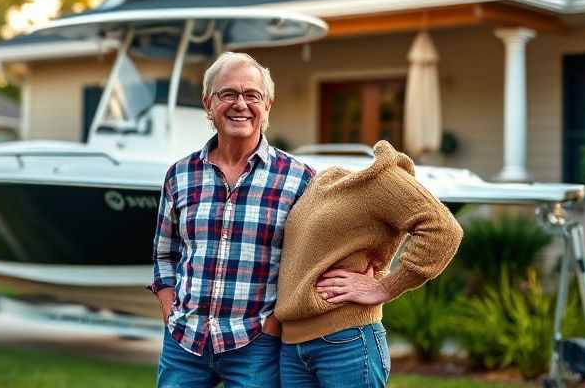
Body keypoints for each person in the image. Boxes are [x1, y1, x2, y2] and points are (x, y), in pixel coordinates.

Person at [149, 51, 314, 387]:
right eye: (228, 94)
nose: (241, 104)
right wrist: (170, 311)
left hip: (255, 342)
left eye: (252, 95)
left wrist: (275, 322)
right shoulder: (179, 175)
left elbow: (309, 263)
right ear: (209, 103)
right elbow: (164, 254)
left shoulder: (300, 180)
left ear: (267, 105)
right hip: (185, 341)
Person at [275, 140, 463, 387]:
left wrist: (385, 287)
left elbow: (444, 229)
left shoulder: (384, 178)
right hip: (292, 348)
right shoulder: (318, 184)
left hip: (346, 340)